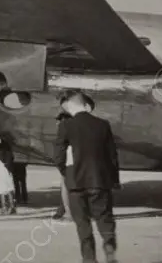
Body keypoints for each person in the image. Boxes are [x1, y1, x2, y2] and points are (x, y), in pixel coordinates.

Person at [55, 91, 119, 263]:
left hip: (76, 183)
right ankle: (110, 250)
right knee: (104, 219)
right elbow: (112, 156)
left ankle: (89, 260)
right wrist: (114, 180)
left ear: (69, 105)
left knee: (83, 225)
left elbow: (59, 156)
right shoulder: (103, 125)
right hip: (99, 181)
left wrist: (67, 173)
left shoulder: (66, 126)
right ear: (85, 105)